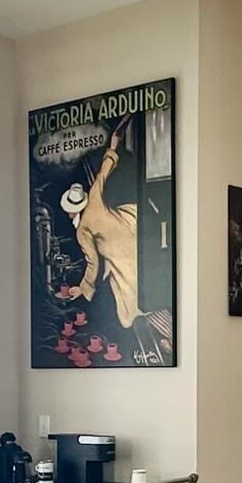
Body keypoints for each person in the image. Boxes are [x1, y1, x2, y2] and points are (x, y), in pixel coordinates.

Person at [55, 119, 143, 328]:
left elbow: (93, 263)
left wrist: (84, 288)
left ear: (70, 211)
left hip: (120, 252)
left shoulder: (82, 230)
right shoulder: (93, 195)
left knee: (128, 304)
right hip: (130, 225)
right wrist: (113, 146)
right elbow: (104, 171)